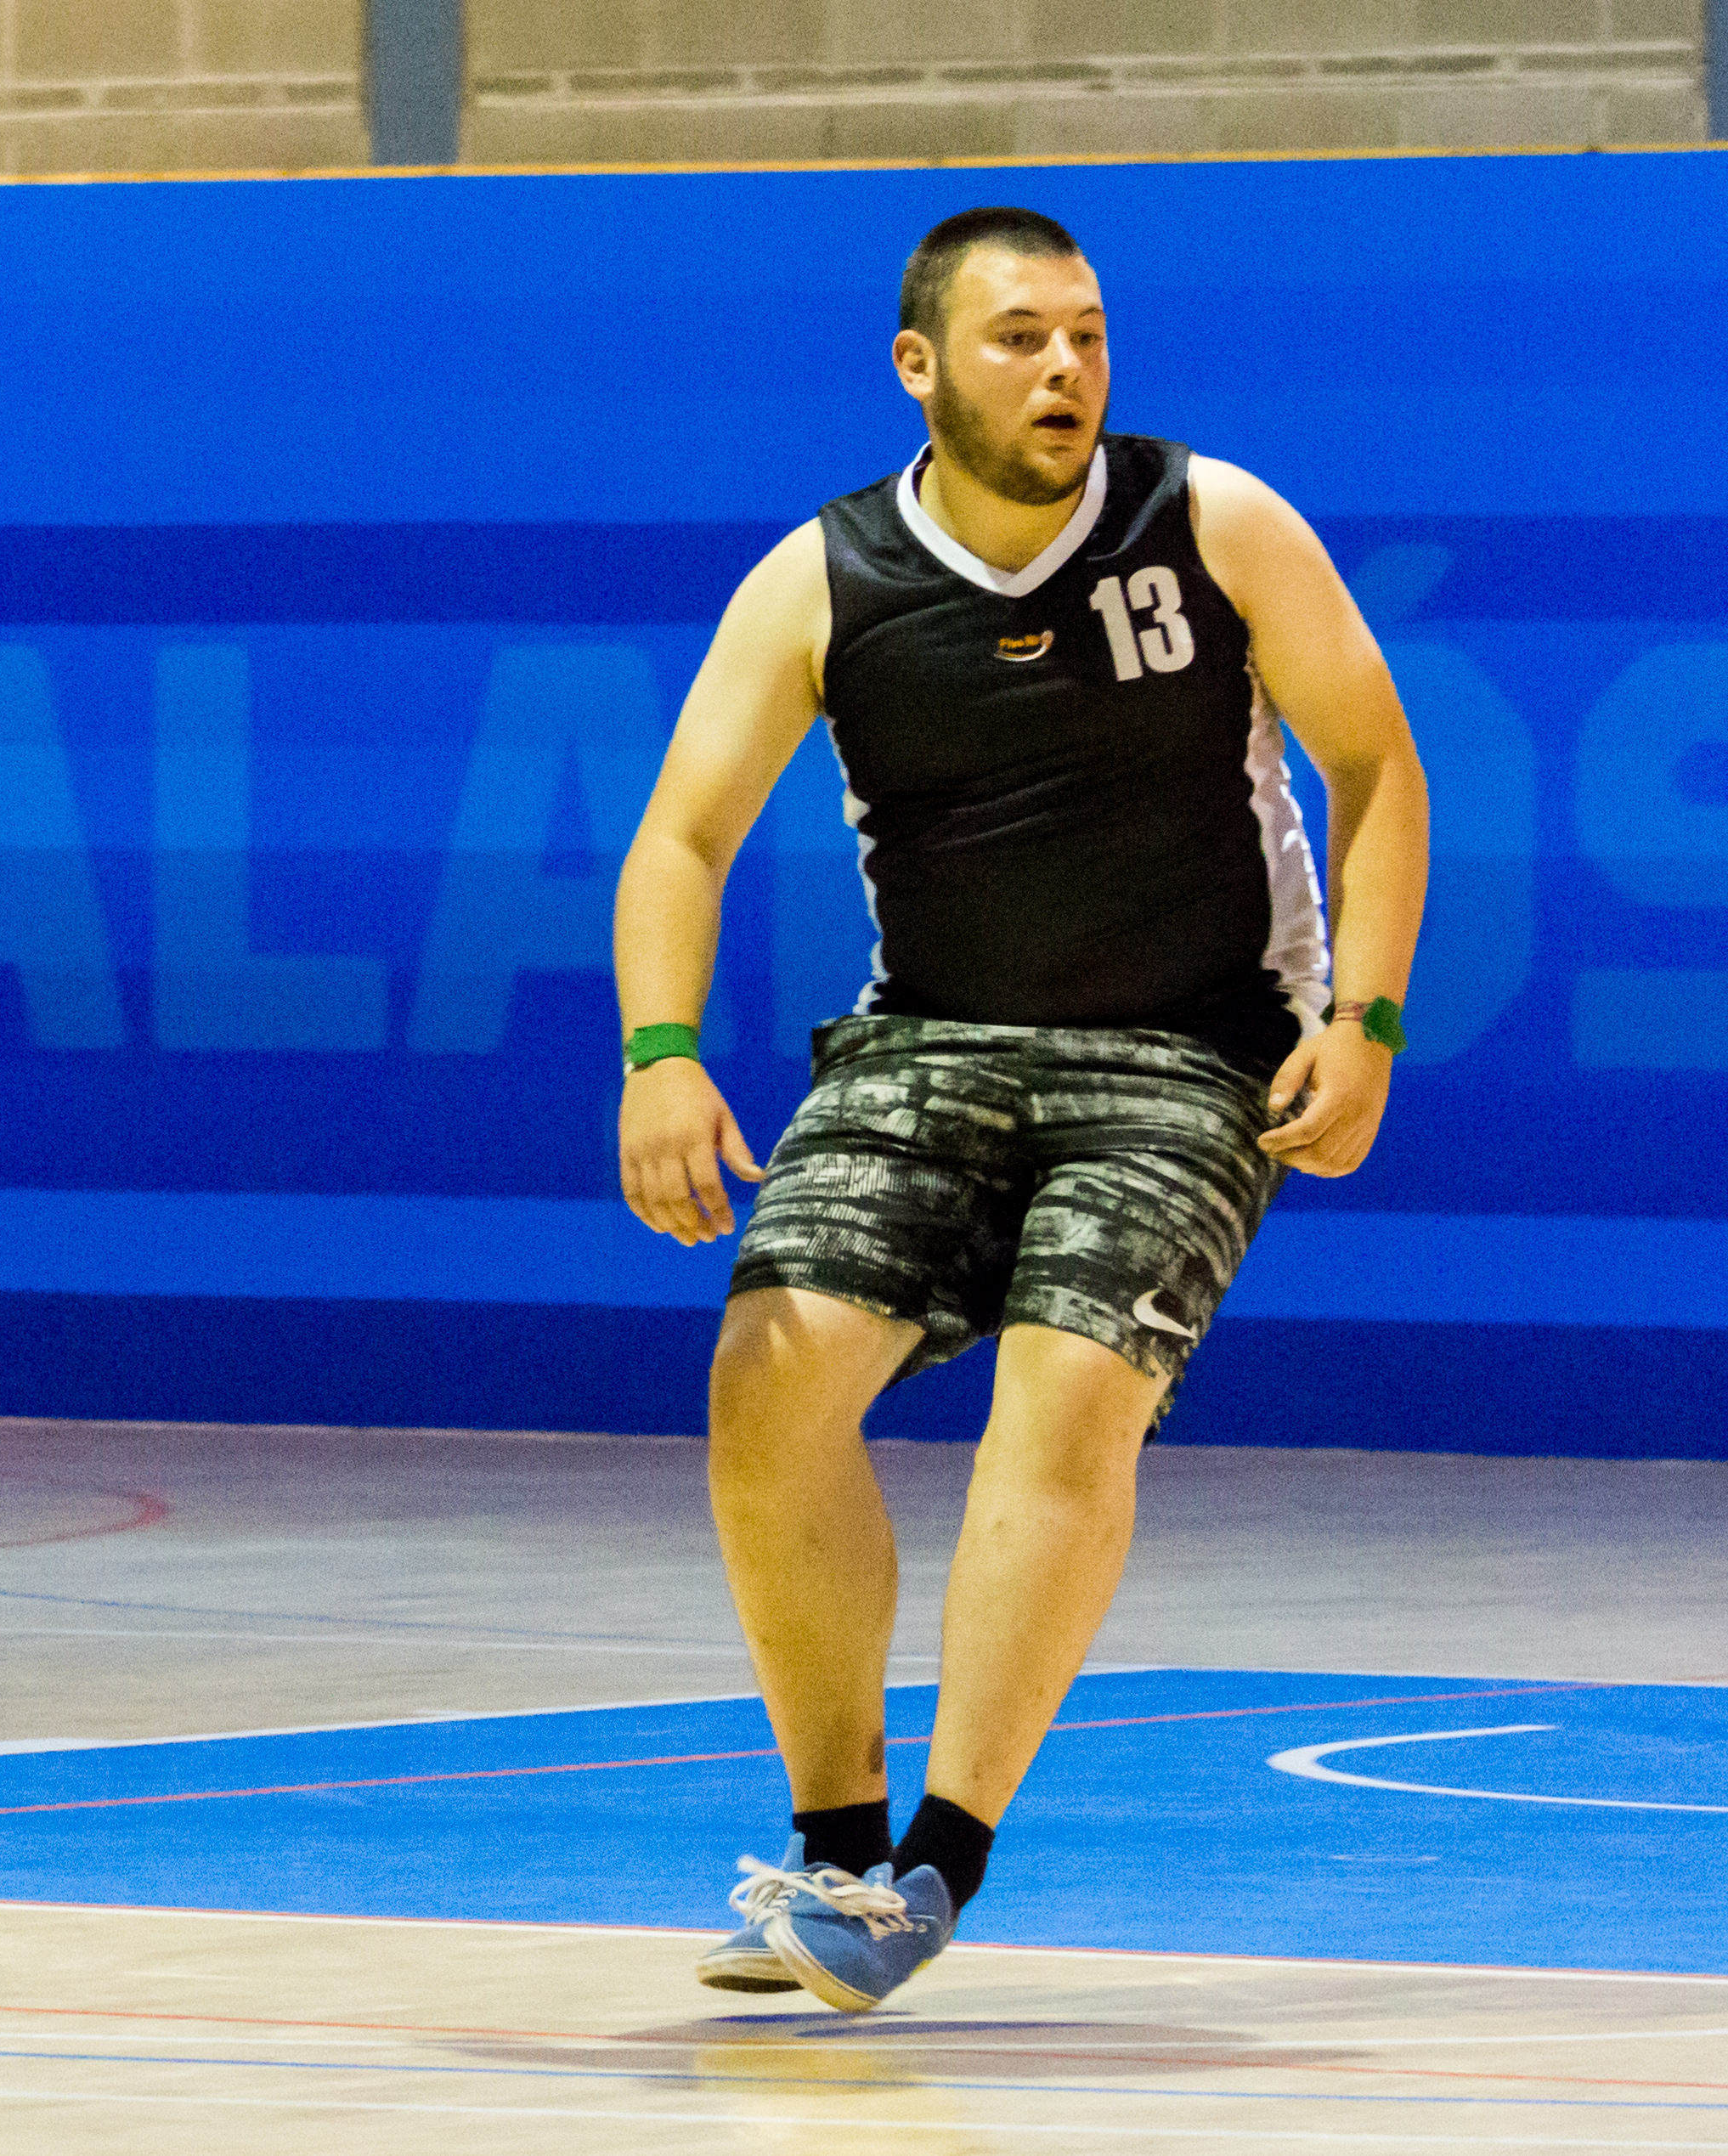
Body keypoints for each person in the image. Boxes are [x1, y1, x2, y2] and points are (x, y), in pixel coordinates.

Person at [610, 206, 1426, 2012]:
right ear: (918, 367)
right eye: (1018, 338)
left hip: (1187, 1055)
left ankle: (931, 1869)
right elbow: (678, 836)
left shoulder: (1211, 521)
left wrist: (1361, 1019)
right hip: (928, 1043)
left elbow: (1374, 763)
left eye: (1085, 335)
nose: (1064, 368)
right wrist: (658, 1054)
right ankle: (831, 1852)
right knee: (762, 1384)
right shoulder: (819, 579)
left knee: (1063, 1391)